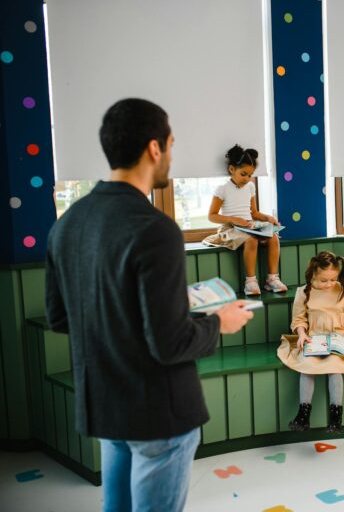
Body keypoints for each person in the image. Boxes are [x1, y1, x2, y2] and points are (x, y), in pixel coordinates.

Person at [45, 98, 253, 512]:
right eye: (172, 145)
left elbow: (63, 316)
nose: (172, 156)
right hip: (158, 411)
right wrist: (219, 323)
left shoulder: (68, 224)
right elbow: (169, 343)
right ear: (155, 148)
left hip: (105, 404)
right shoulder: (157, 230)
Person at [277, 251, 344, 432]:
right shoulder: (303, 292)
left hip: (339, 337)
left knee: (335, 367)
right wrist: (301, 334)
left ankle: (336, 416)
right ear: (312, 274)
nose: (328, 284)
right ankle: (303, 414)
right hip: (313, 338)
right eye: (323, 280)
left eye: (333, 279)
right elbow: (299, 319)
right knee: (307, 366)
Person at [202, 144, 288, 296]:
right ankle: (250, 281)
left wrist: (268, 218)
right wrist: (233, 219)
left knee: (273, 237)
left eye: (250, 175)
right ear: (232, 169)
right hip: (230, 227)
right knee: (252, 239)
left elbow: (254, 213)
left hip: (249, 225)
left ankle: (272, 279)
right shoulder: (222, 189)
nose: (247, 179)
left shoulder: (250, 187)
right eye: (243, 174)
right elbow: (212, 215)